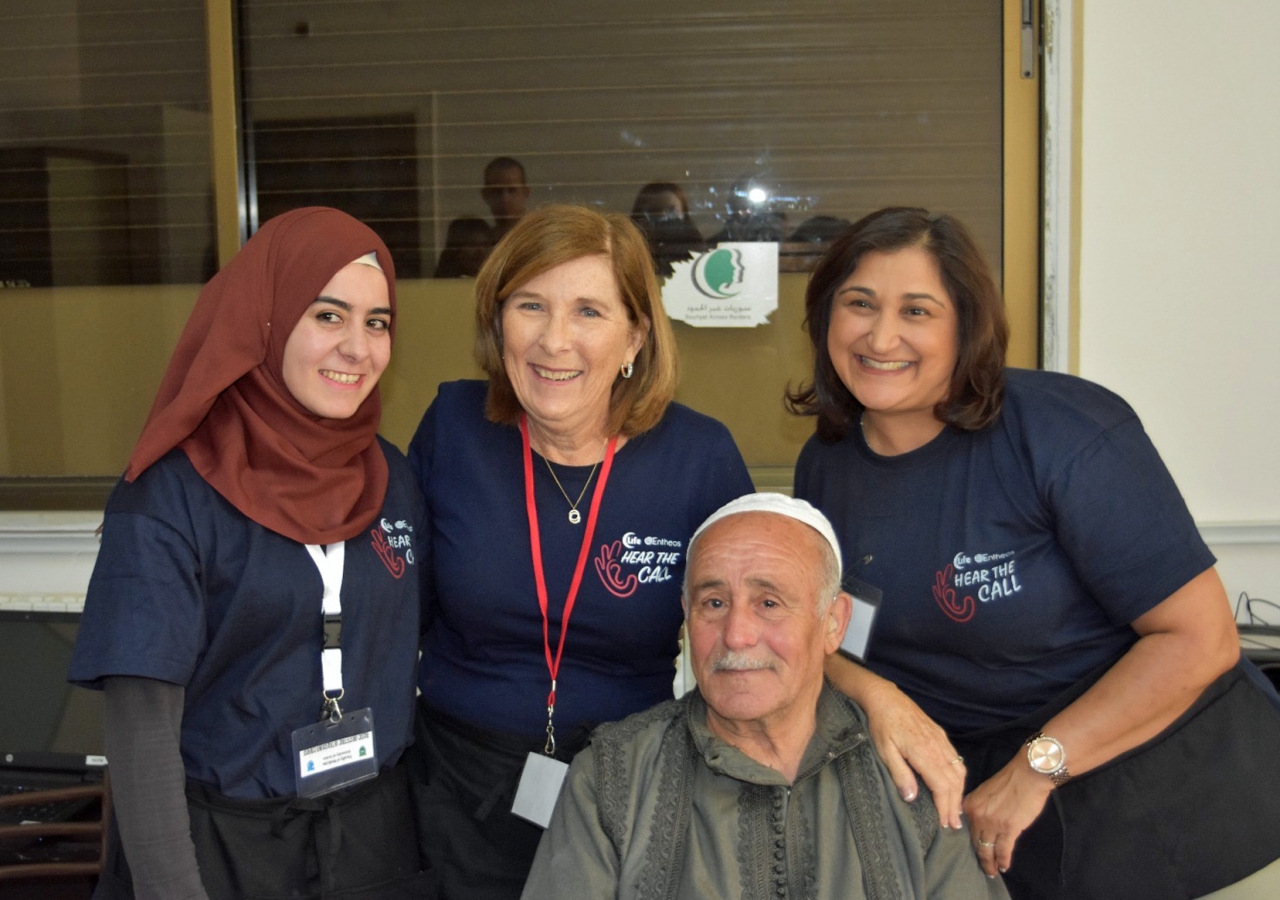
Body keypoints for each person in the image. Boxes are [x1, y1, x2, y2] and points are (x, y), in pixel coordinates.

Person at [787, 206, 1280, 899]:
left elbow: (1199, 640)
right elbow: (819, 630)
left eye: (918, 311)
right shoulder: (825, 466)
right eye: (859, 303)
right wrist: (877, 694)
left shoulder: (1062, 432)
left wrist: (1036, 768)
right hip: (987, 821)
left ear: (967, 327)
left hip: (1175, 798)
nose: (881, 335)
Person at [69, 207, 430, 900]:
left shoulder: (391, 478)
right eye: (328, 316)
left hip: (372, 837)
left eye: (376, 322)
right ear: (264, 319)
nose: (358, 347)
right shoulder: (170, 495)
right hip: (220, 849)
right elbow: (140, 736)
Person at [408, 204, 753, 900]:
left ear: (636, 336)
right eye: (530, 305)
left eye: (589, 312)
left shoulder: (699, 457)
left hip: (630, 791)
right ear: (497, 321)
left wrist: (877, 698)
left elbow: (767, 632)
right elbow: (390, 613)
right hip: (453, 791)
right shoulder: (453, 429)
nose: (554, 340)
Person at [521, 493, 1009, 900]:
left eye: (769, 603)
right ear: (686, 614)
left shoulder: (909, 777)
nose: (736, 635)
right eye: (713, 603)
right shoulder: (611, 778)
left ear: (833, 622)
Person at [629, 181, 707, 279]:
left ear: (683, 212)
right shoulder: (633, 245)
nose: (663, 217)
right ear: (641, 215)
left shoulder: (692, 239)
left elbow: (700, 269)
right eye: (653, 211)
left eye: (671, 210)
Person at [482, 155, 532, 243]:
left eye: (512, 190)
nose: (505, 198)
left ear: (525, 192)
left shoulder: (537, 237)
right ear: (485, 195)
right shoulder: (482, 245)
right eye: (497, 191)